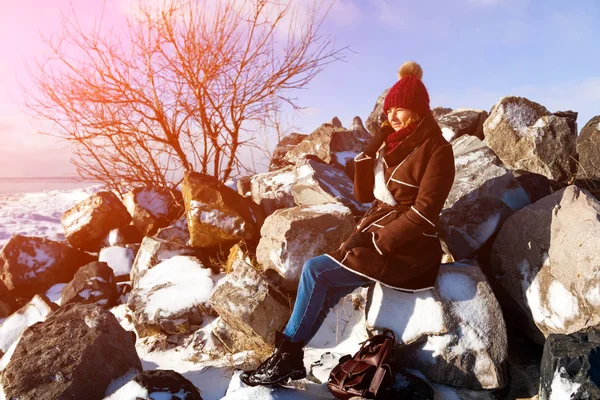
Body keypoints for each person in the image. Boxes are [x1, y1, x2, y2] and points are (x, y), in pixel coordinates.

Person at [240, 61, 456, 387]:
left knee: (316, 271)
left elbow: (425, 212)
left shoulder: (438, 149)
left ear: (417, 110)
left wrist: (382, 241)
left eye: (400, 108)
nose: (393, 115)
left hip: (408, 246)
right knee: (324, 285)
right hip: (377, 227)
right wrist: (369, 152)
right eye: (390, 109)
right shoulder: (392, 143)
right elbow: (364, 193)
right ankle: (288, 358)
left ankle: (287, 356)